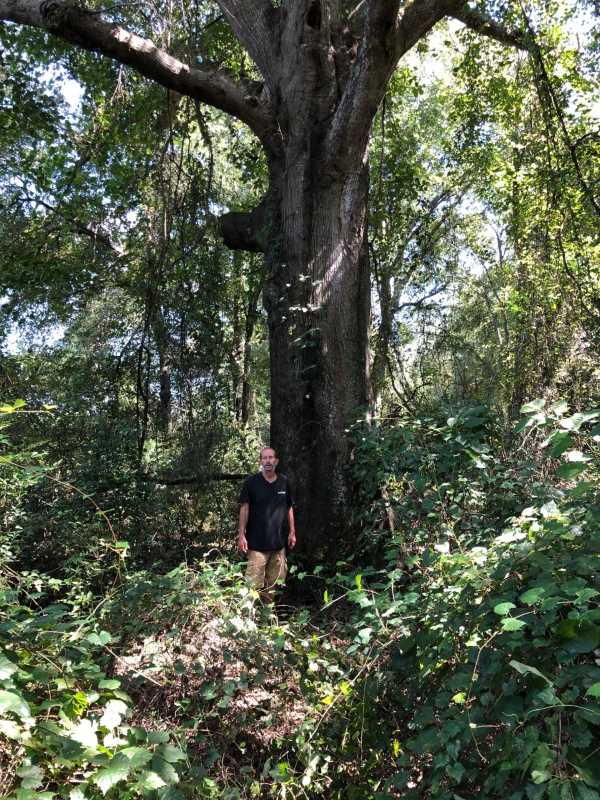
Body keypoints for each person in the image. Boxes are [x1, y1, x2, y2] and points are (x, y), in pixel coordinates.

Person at [238, 446, 296, 603]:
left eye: (271, 458)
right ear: (260, 461)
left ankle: (266, 622)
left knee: (272, 589)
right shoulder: (251, 482)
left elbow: (289, 507)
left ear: (276, 461)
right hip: (256, 546)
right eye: (264, 458)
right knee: (251, 588)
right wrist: (241, 535)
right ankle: (247, 622)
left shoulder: (284, 482)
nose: (268, 461)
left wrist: (292, 532)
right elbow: (244, 508)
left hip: (278, 547)